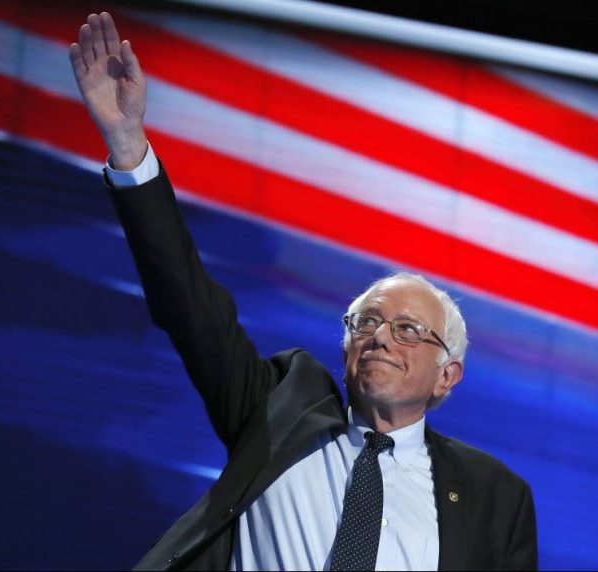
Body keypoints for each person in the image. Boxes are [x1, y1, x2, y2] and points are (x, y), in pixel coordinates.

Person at [69, 12, 538, 571]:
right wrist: (128, 146)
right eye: (367, 322)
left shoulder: (495, 496)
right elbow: (189, 305)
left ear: (447, 375)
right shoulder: (276, 410)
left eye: (409, 330)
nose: (381, 338)